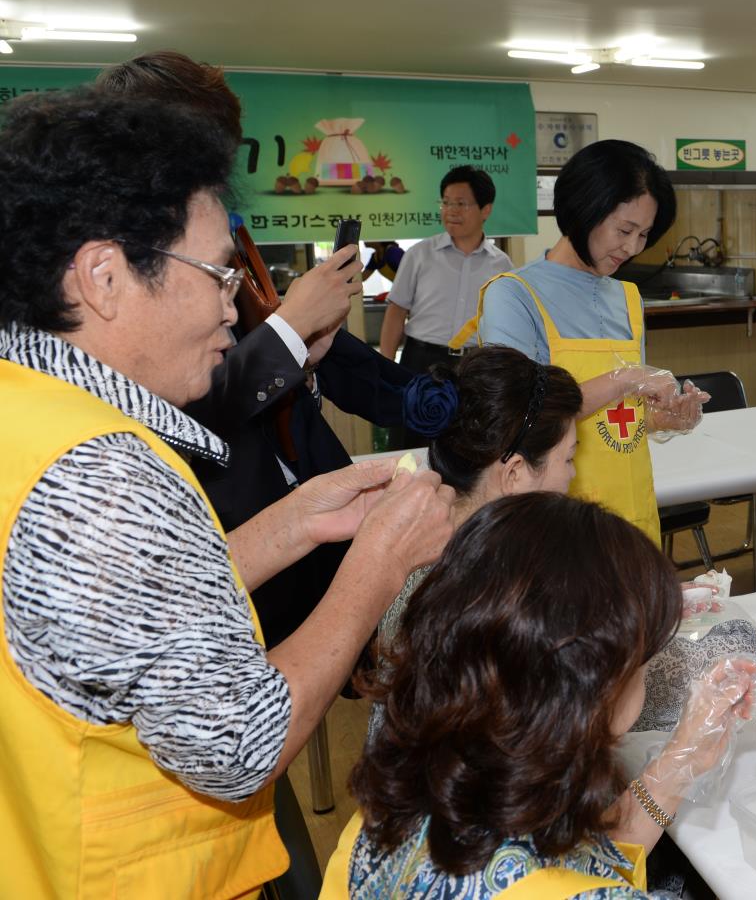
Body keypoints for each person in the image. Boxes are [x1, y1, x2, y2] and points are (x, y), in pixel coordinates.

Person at [0, 87, 454, 896]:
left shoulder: (28, 412)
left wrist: (290, 526)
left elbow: (118, 614)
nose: (230, 304)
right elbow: (242, 747)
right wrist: (375, 570)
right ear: (104, 277)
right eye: (213, 272)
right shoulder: (106, 472)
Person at [325, 493, 756, 899]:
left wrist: (680, 763)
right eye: (645, 662)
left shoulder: (391, 814)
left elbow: (574, 867)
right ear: (591, 694)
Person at [94, 49, 417, 649]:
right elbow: (176, 411)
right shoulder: (120, 267)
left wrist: (304, 352)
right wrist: (289, 331)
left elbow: (242, 354)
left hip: (286, 505)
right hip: (224, 535)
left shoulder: (222, 233)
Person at [372, 347, 756, 738]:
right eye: (568, 460)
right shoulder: (504, 584)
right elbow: (653, 691)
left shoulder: (414, 554)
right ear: (516, 472)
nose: (571, 478)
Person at [465, 140, 708, 543]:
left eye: (644, 234)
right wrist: (626, 378)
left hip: (631, 512)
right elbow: (519, 416)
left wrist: (664, 418)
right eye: (624, 230)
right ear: (583, 210)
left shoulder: (627, 298)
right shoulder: (514, 294)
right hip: (558, 523)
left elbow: (621, 419)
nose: (632, 248)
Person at [380, 165, 512, 448]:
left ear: (485, 209)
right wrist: (385, 367)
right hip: (421, 361)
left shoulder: (501, 265)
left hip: (474, 367)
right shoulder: (419, 255)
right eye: (446, 203)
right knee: (410, 445)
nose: (451, 210)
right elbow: (395, 312)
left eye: (461, 204)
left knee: (467, 446)